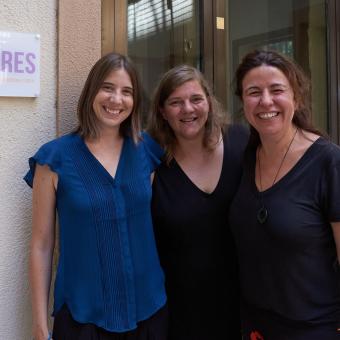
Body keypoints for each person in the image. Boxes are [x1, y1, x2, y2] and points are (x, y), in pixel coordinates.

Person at [24, 53, 167, 340]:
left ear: (135, 101)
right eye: (107, 88)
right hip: (82, 318)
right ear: (91, 92)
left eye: (127, 92)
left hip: (149, 313)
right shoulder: (53, 160)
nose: (116, 99)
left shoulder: (147, 151)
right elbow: (41, 245)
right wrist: (40, 326)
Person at [229, 49, 340, 339]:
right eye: (254, 92)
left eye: (277, 90)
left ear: (297, 97)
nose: (266, 101)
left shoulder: (328, 162)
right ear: (243, 102)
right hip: (255, 327)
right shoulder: (247, 158)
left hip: (315, 328)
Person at [148, 65, 249, 339]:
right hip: (181, 310)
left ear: (209, 101)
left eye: (195, 99)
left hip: (246, 302)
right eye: (176, 102)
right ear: (162, 111)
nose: (188, 109)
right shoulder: (152, 163)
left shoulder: (243, 142)